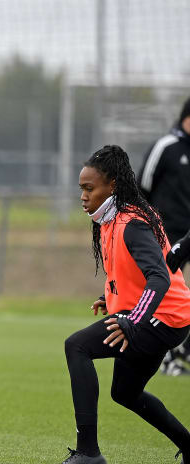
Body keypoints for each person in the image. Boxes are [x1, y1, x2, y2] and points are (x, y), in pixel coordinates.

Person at [63, 145, 190, 464]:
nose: (83, 195)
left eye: (89, 188)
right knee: (124, 392)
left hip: (158, 318)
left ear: (113, 186)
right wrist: (110, 296)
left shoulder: (130, 223)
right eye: (81, 189)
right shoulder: (111, 219)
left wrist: (133, 321)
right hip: (162, 317)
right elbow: (131, 271)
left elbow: (159, 277)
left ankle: (88, 453)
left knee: (77, 346)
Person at [137, 96, 190, 375]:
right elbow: (141, 189)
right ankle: (166, 359)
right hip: (167, 238)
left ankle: (184, 350)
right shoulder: (166, 147)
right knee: (166, 297)